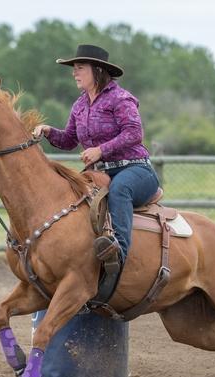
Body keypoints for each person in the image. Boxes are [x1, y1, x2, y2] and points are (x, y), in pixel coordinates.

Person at [33, 44, 160, 266]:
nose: (74, 73)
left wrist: (101, 150)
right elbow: (69, 140)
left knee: (120, 190)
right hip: (101, 174)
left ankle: (118, 253)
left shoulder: (120, 98)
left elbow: (134, 133)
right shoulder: (80, 105)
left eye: (80, 67)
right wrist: (48, 131)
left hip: (136, 170)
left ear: (97, 70)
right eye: (74, 68)